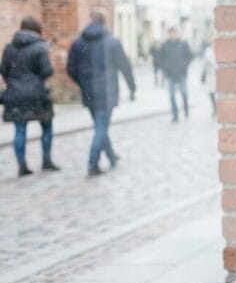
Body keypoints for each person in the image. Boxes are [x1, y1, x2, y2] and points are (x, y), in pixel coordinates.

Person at [67, 11, 136, 176]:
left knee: (100, 126)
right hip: (107, 91)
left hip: (89, 92)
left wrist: (83, 83)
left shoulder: (79, 42)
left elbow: (71, 68)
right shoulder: (112, 42)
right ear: (105, 22)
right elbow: (125, 66)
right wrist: (132, 87)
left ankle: (111, 157)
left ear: (90, 20)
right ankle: (92, 164)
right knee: (101, 128)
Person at [1, 16, 60, 176]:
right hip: (37, 94)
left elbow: (3, 70)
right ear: (36, 29)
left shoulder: (9, 48)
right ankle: (46, 160)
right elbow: (47, 71)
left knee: (20, 129)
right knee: (46, 126)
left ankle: (22, 166)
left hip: (15, 94)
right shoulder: (40, 47)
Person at [160, 27, 192, 122]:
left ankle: (186, 108)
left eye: (174, 33)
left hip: (181, 73)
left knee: (184, 92)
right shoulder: (165, 45)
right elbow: (161, 58)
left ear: (176, 34)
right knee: (171, 95)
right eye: (171, 33)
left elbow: (190, 56)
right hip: (170, 74)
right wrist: (165, 67)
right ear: (168, 34)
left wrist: (184, 65)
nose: (172, 35)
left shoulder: (183, 44)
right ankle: (175, 114)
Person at [200, 43, 217, 117]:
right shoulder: (208, 51)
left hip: (219, 75)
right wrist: (203, 75)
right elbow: (204, 64)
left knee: (218, 93)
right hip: (210, 75)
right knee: (211, 92)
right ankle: (214, 108)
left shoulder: (221, 49)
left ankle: (218, 107)